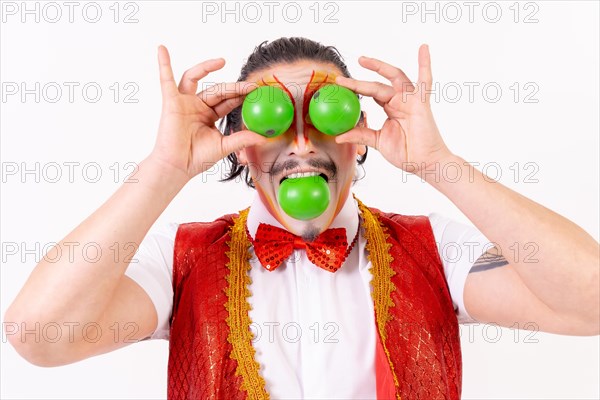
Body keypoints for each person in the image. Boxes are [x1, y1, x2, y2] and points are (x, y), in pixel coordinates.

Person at [5, 37, 599, 399]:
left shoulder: (435, 251)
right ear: (238, 141)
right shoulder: (180, 260)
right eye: (271, 119)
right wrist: (163, 168)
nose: (300, 142)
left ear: (358, 138)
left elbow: (590, 302)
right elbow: (39, 338)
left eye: (322, 114)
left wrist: (440, 164)